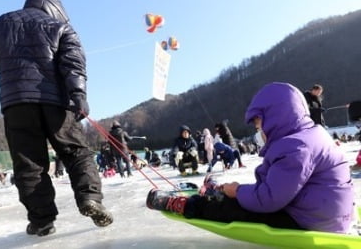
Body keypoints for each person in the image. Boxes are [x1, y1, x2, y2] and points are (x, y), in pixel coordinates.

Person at [0, 0, 112, 236]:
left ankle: (42, 220)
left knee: (29, 164)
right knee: (76, 152)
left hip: (17, 104)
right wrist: (78, 94)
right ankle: (89, 198)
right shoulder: (60, 27)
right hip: (56, 101)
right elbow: (73, 62)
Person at [147, 82, 354, 234]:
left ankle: (188, 205)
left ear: (275, 119)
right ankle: (218, 192)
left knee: (233, 209)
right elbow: (275, 182)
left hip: (311, 221)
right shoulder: (310, 135)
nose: (259, 131)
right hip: (329, 216)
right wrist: (236, 190)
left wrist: (236, 192)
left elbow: (268, 199)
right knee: (241, 195)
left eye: (259, 125)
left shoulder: (296, 147)